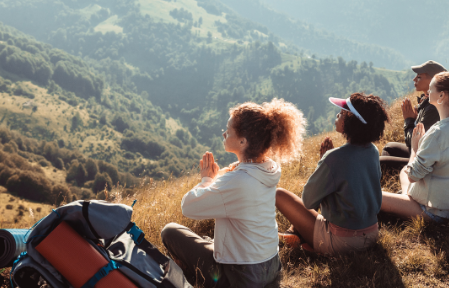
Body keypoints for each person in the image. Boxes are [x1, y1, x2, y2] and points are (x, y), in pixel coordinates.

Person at [161, 99, 306, 288]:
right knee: (210, 240)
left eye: (228, 130)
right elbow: (237, 180)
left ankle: (191, 273)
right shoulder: (268, 168)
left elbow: (188, 207)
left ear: (243, 141)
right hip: (271, 269)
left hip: (242, 278)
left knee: (170, 231)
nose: (224, 132)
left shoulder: (237, 182)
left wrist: (206, 179)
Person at [275, 93, 389, 255]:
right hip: (371, 234)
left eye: (342, 113)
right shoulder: (373, 151)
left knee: (279, 194)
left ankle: (309, 243)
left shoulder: (334, 158)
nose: (337, 115)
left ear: (350, 122)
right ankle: (297, 234)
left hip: (342, 242)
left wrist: (323, 162)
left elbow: (308, 201)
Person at [380, 72, 449, 222]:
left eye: (431, 88)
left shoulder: (437, 133)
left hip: (440, 213)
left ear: (441, 96)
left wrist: (415, 149)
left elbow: (413, 176)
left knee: (374, 197)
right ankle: (404, 198)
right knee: (403, 171)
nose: (428, 92)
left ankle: (404, 200)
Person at [380, 60, 447, 170]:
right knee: (389, 148)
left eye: (419, 77)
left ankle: (405, 182)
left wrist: (409, 120)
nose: (414, 79)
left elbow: (415, 144)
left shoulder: (433, 107)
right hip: (424, 155)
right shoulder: (427, 102)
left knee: (380, 163)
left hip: (428, 163)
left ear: (433, 80)